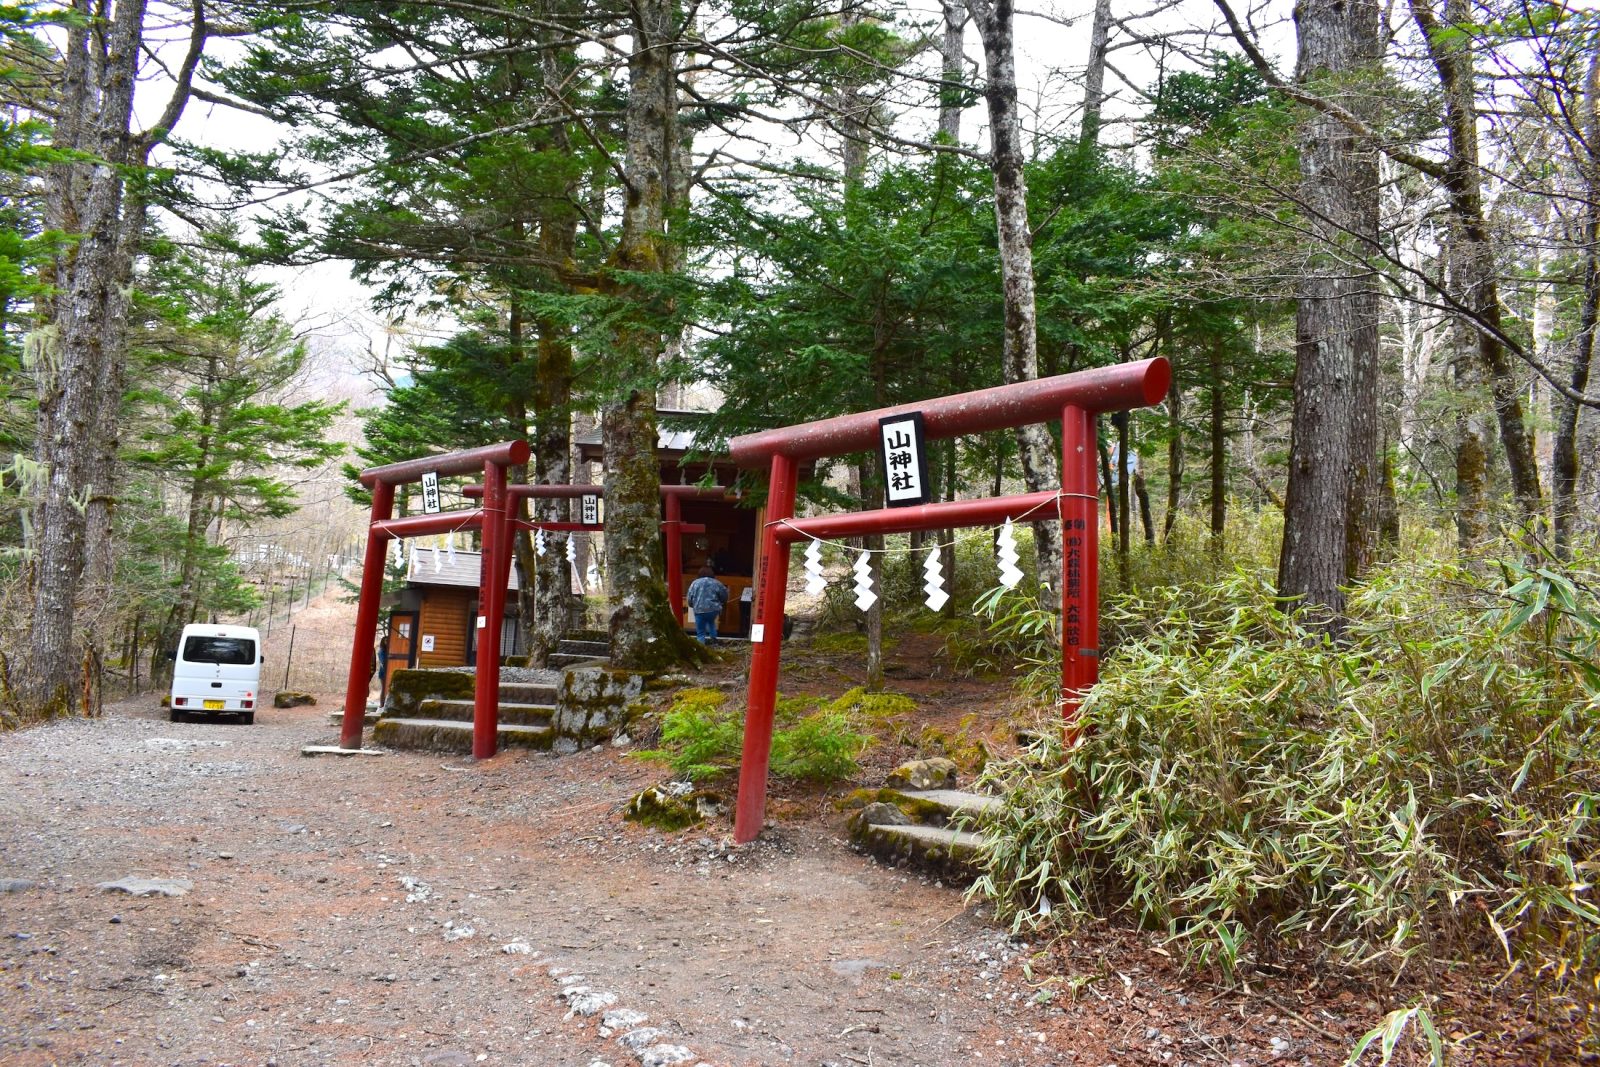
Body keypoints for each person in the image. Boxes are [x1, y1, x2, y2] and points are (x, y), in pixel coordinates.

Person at [685, 564, 729, 645]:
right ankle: (714, 641)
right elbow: (724, 594)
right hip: (713, 609)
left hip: (699, 609)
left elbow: (689, 596)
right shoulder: (716, 583)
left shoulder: (695, 583)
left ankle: (701, 646)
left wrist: (692, 605)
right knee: (711, 623)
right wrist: (722, 602)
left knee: (700, 631)